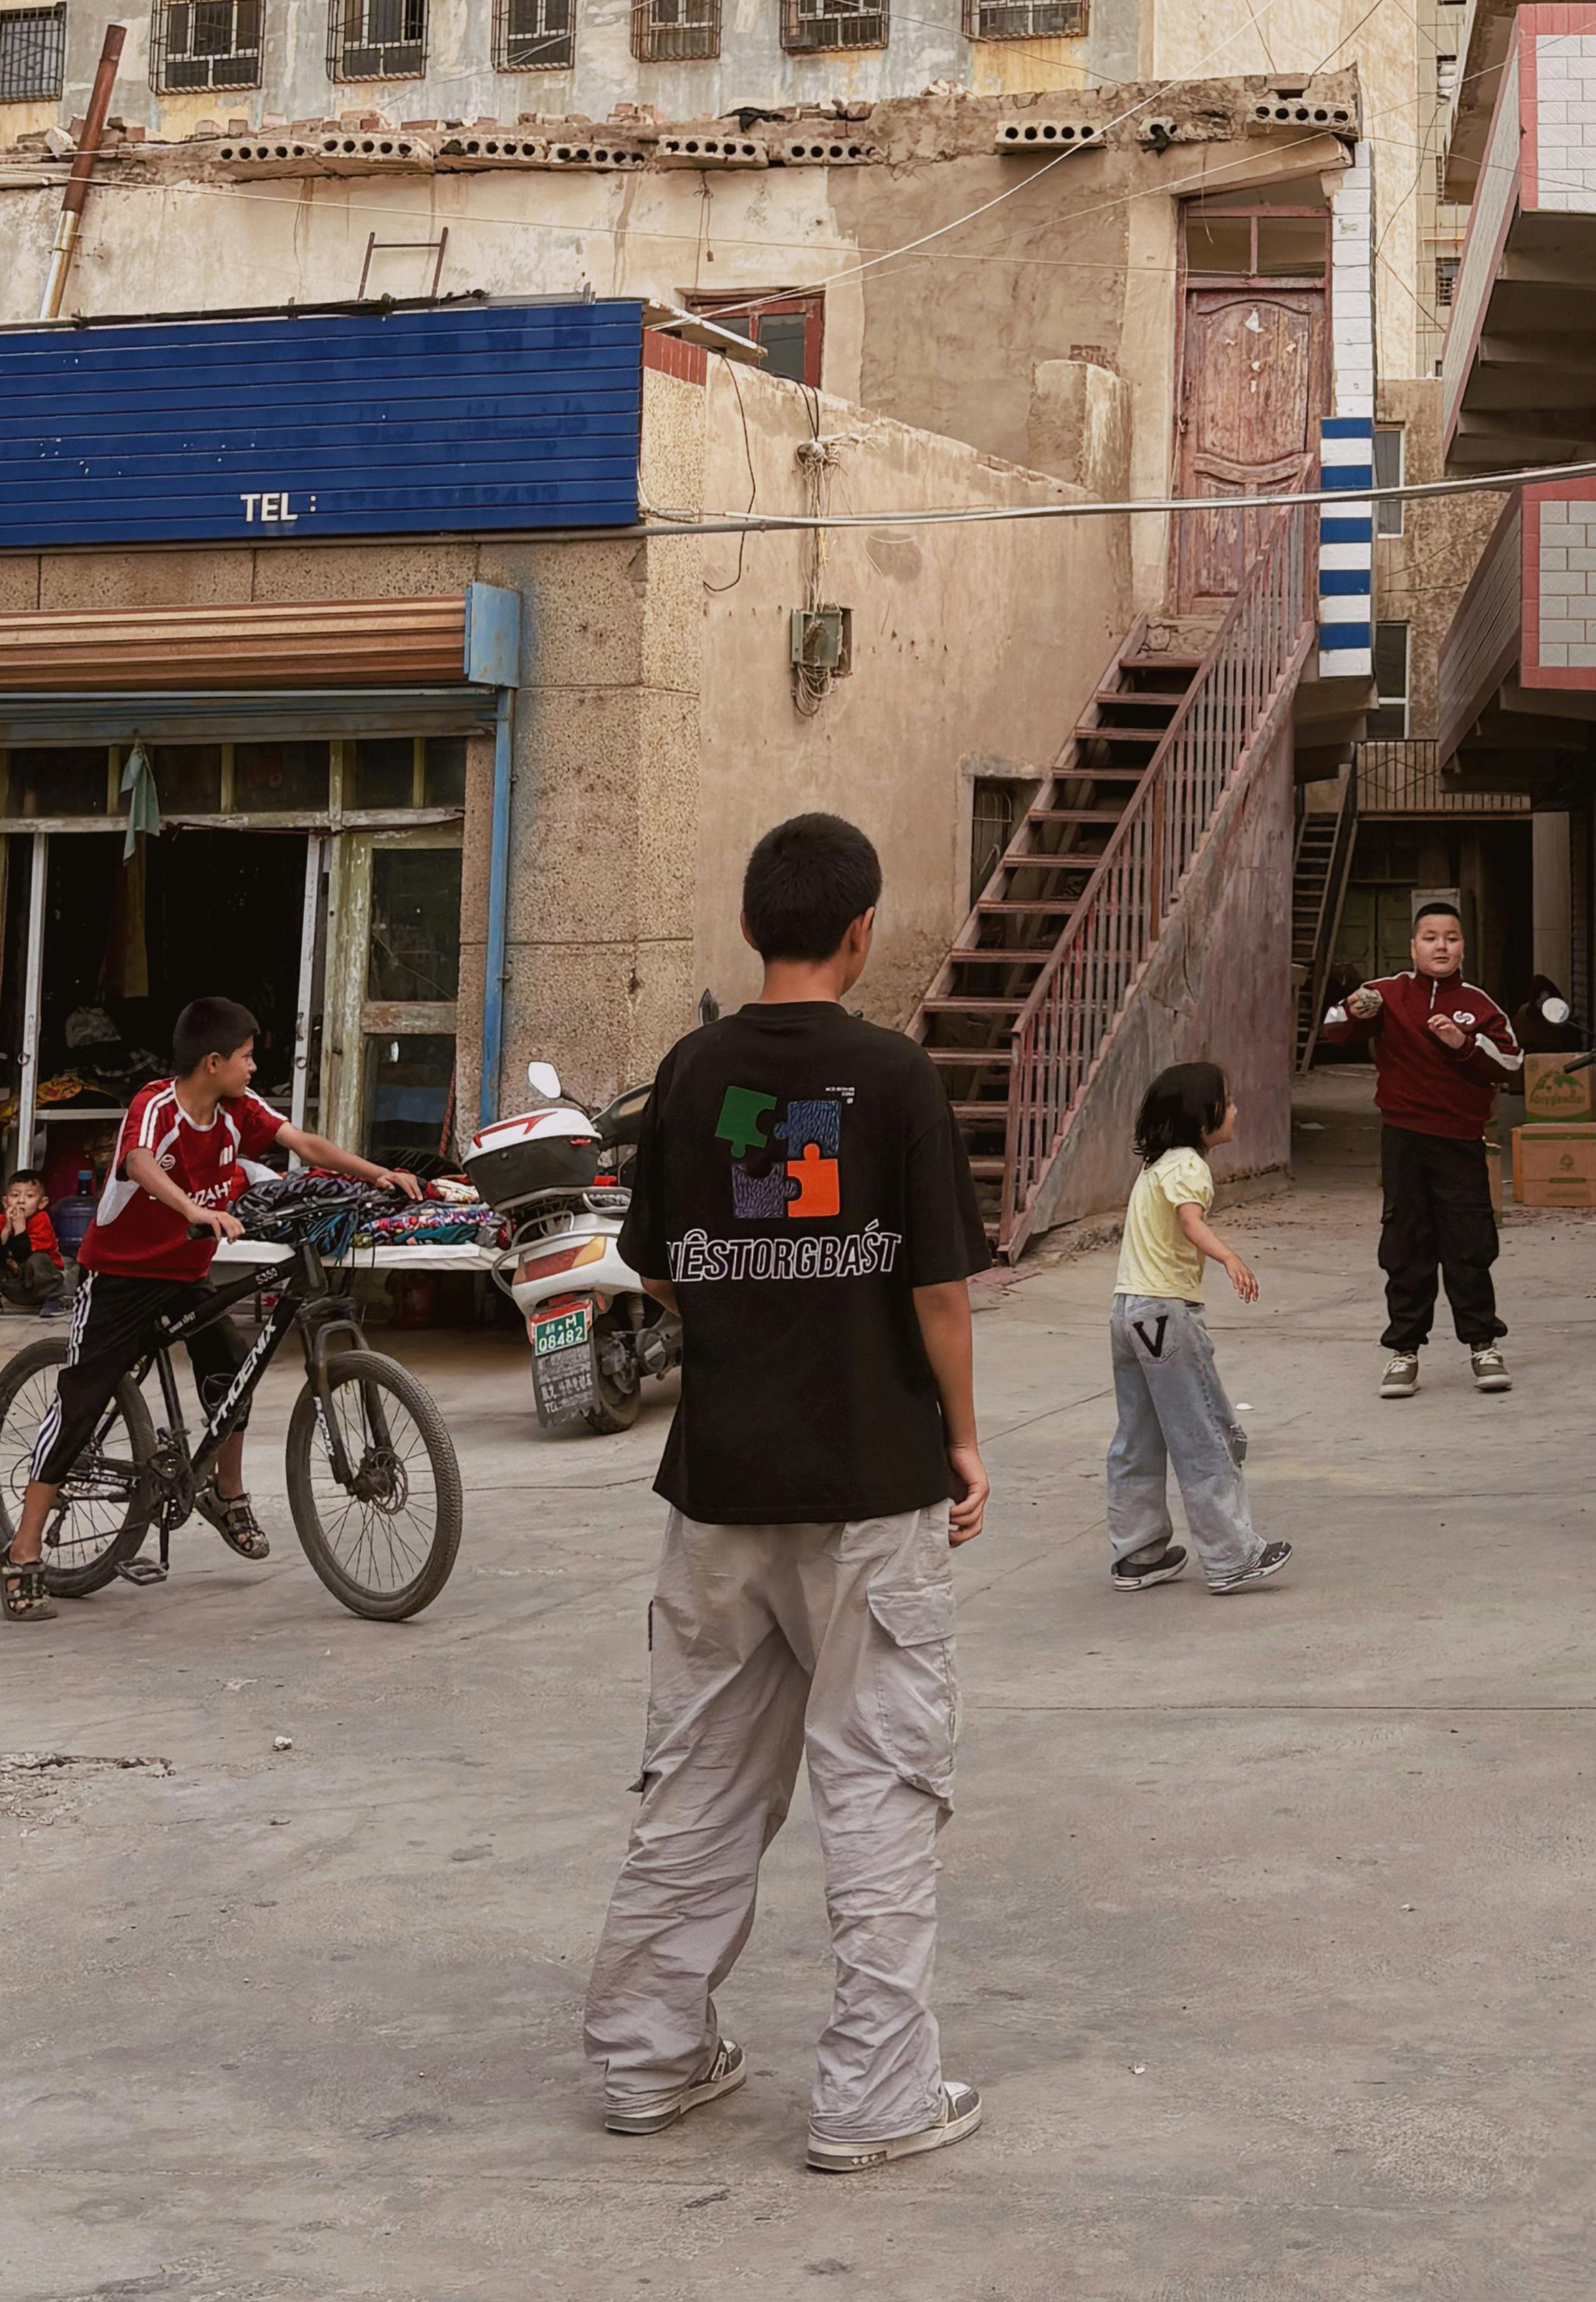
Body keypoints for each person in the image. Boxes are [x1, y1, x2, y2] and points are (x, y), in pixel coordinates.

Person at [581, 811, 994, 2174]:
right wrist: (967, 1441)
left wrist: (748, 1309)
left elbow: (652, 1263)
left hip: (718, 1485)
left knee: (696, 1777)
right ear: (862, 929)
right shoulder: (897, 1076)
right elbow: (938, 1287)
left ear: (757, 926)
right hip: (872, 1483)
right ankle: (876, 2096)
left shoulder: (695, 1071)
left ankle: (646, 2061)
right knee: (876, 1777)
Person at [0, 998, 420, 1623]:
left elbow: (302, 1142)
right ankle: (22, 1552)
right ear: (213, 1062)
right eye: (246, 1058)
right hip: (120, 1277)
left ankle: (227, 1493)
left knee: (232, 1370)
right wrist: (192, 1209)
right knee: (81, 1402)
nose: (254, 1068)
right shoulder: (156, 1107)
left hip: (185, 1275)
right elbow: (139, 1162)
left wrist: (377, 1174)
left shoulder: (237, 1111)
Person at [1317, 900, 1525, 1398]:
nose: (1441, 946)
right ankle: (1403, 1352)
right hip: (1404, 1139)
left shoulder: (1479, 1005)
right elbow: (1332, 1028)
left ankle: (1483, 1346)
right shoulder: (1388, 995)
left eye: (1451, 938)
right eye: (1430, 937)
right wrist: (1354, 1007)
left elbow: (1513, 1064)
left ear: (1463, 949)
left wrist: (1463, 1044)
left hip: (1460, 1141)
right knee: (1406, 1243)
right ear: (1413, 947)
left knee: (1469, 1243)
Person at [1104, 1062, 1291, 1595]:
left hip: (1127, 1313)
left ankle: (1138, 1553)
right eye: (1226, 1103)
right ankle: (1233, 1555)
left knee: (1137, 1438)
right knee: (1203, 1434)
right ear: (1200, 1115)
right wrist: (1230, 1258)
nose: (1235, 1111)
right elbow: (1191, 1221)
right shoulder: (1189, 1165)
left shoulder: (1156, 1164)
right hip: (1166, 1315)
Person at [0, 1171, 65, 1315]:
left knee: (37, 1259)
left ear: (42, 1203)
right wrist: (6, 1230)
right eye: (15, 1196)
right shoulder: (1, 1222)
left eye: (30, 1196)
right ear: (5, 1202)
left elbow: (24, 1254)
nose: (21, 1201)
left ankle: (54, 1301)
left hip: (37, 1288)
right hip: (12, 1286)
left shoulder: (41, 1220)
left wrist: (20, 1228)